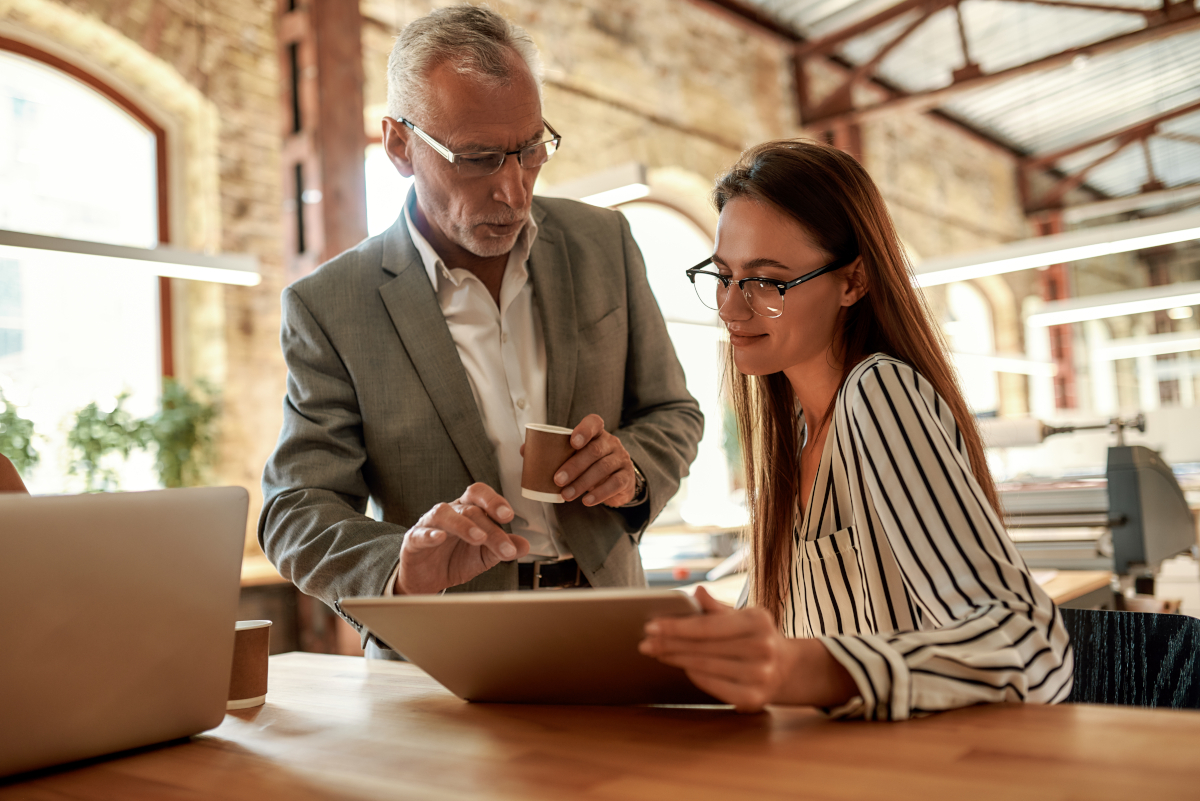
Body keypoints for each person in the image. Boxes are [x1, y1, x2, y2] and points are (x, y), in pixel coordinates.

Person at [259, 6, 702, 654]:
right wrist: (402, 562)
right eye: (479, 159)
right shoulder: (330, 305)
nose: (513, 192)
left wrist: (632, 467)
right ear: (400, 146)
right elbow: (295, 510)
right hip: (443, 655)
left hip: (607, 621)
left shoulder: (604, 242)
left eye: (531, 151)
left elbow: (673, 411)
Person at [639, 140, 1072, 719]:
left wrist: (807, 668)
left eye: (767, 281)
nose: (732, 308)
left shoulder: (878, 391)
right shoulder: (796, 432)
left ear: (853, 281)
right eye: (723, 275)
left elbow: (1032, 646)